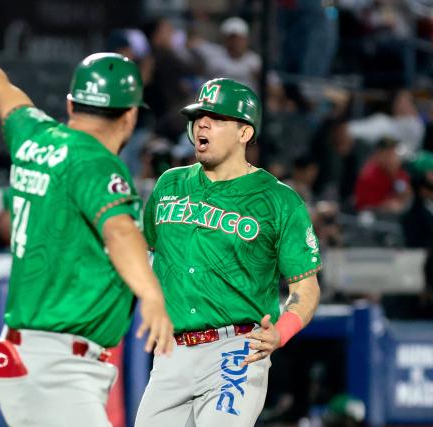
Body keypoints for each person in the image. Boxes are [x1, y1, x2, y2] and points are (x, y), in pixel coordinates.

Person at [0, 7, 173, 427]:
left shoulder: (34, 135)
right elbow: (121, 231)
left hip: (27, 355)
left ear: (71, 103)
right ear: (131, 115)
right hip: (60, 364)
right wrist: (151, 295)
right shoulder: (98, 164)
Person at [135, 78, 322, 427]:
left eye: (217, 118)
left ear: (244, 133)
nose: (202, 124)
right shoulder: (168, 185)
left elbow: (306, 287)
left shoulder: (278, 201)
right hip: (170, 351)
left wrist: (282, 331)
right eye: (199, 116)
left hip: (235, 350)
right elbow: (144, 257)